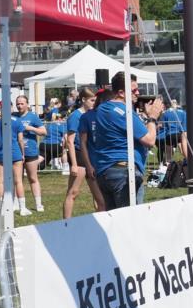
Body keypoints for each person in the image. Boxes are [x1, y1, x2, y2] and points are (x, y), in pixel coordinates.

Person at [94, 72, 163, 210]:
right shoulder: (125, 112)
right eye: (133, 90)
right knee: (131, 221)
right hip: (124, 173)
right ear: (121, 92)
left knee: (114, 220)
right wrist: (152, 118)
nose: (138, 93)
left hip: (105, 171)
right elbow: (149, 140)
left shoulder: (102, 108)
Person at [63, 87, 98, 219]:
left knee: (97, 192)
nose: (94, 103)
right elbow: (70, 141)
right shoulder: (75, 116)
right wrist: (74, 164)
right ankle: (66, 223)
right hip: (78, 155)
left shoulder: (92, 114)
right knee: (73, 192)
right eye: (92, 100)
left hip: (90, 155)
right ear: (83, 100)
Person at [0, 103, 29, 214]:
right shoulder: (17, 121)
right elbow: (20, 140)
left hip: (0, 152)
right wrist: (23, 154)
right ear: (11, 108)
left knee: (0, 181)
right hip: (15, 152)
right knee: (18, 181)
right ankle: (22, 208)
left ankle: (2, 208)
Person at [78, 88, 112, 212]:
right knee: (101, 203)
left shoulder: (112, 115)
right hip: (94, 165)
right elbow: (83, 142)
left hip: (110, 165)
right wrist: (88, 165)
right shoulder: (87, 116)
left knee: (110, 203)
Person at [13, 95, 46, 212]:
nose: (19, 106)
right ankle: (17, 203)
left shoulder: (33, 117)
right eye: (18, 104)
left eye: (22, 103)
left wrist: (30, 128)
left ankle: (38, 204)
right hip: (16, 152)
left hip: (30, 151)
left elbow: (44, 131)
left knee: (33, 177)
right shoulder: (13, 117)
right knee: (17, 179)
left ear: (27, 104)